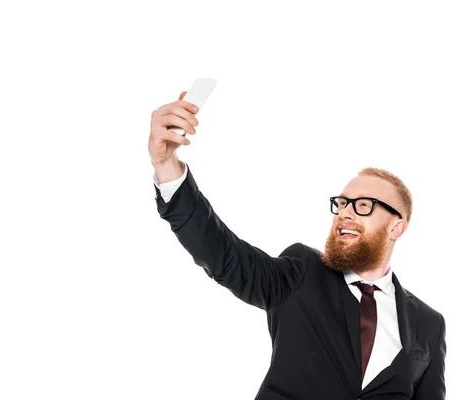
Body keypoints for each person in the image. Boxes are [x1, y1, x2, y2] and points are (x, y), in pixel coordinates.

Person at [149, 91, 446, 400]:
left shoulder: (429, 325)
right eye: (342, 203)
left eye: (363, 206)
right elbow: (225, 255)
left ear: (397, 226)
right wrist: (167, 166)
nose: (345, 212)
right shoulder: (302, 273)